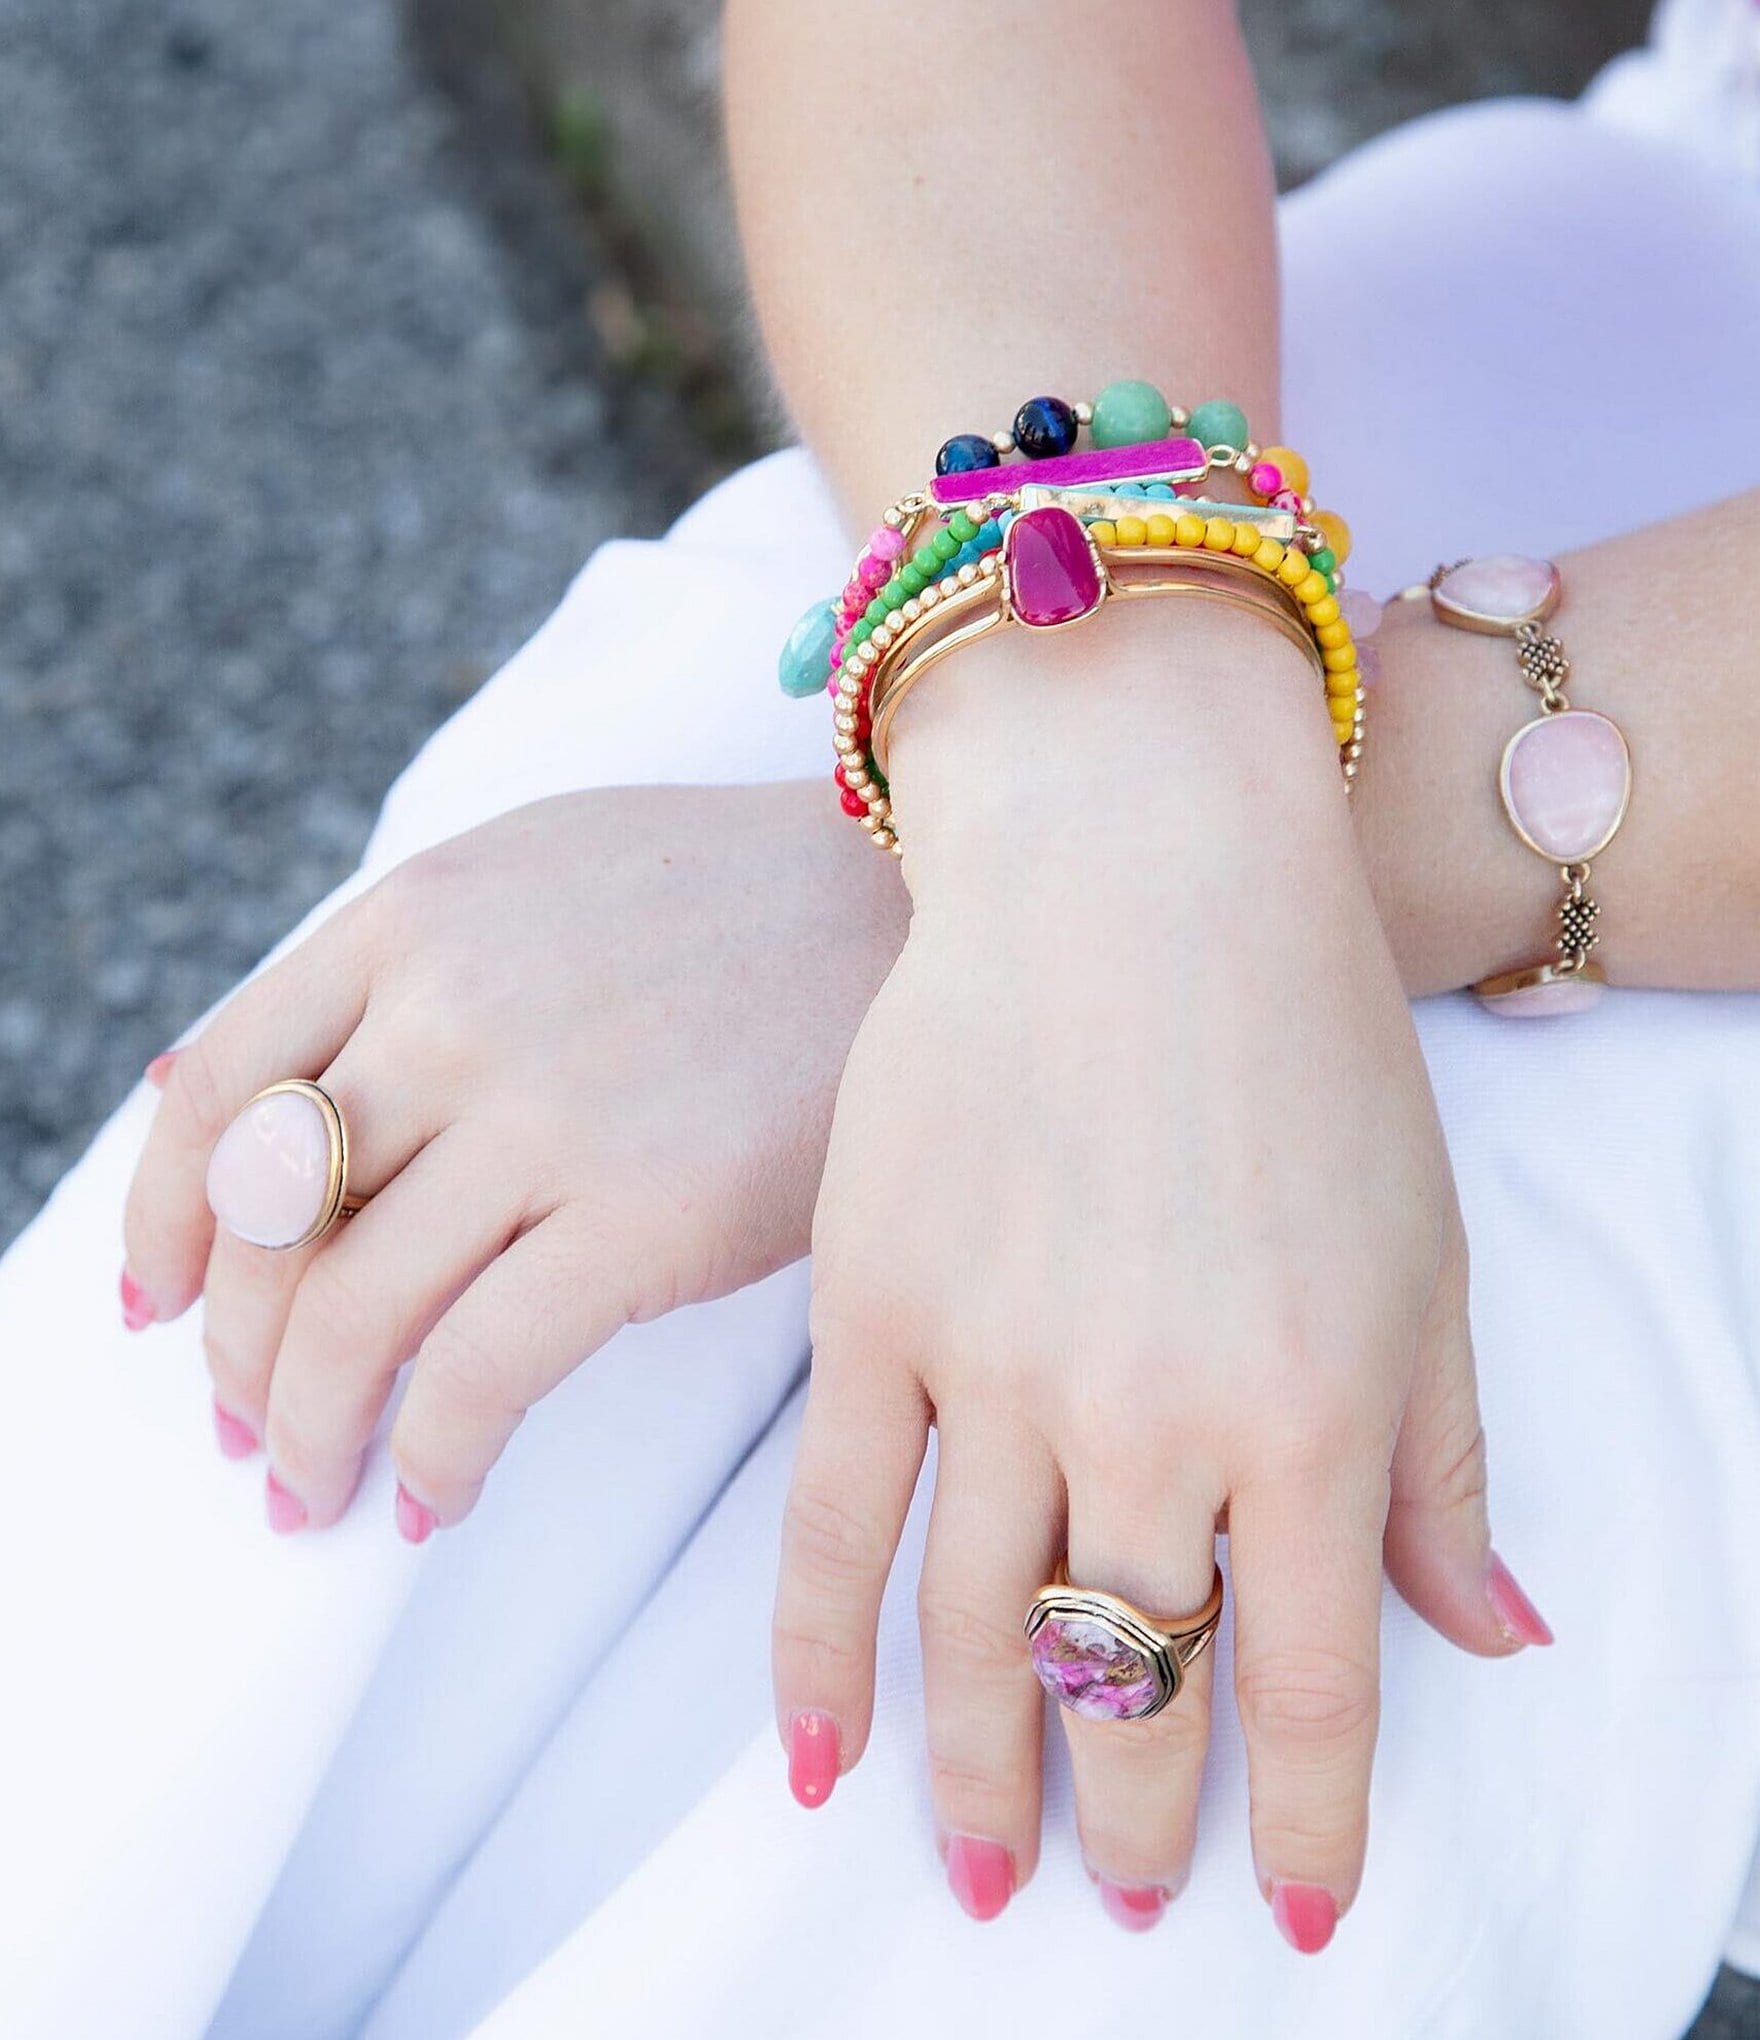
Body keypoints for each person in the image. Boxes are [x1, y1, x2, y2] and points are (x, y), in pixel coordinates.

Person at [3, 2, 1758, 2034]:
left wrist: (1171, 876)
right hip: (1624, 297)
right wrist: (1094, 795)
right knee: (419, 1385)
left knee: (1200, 1560)